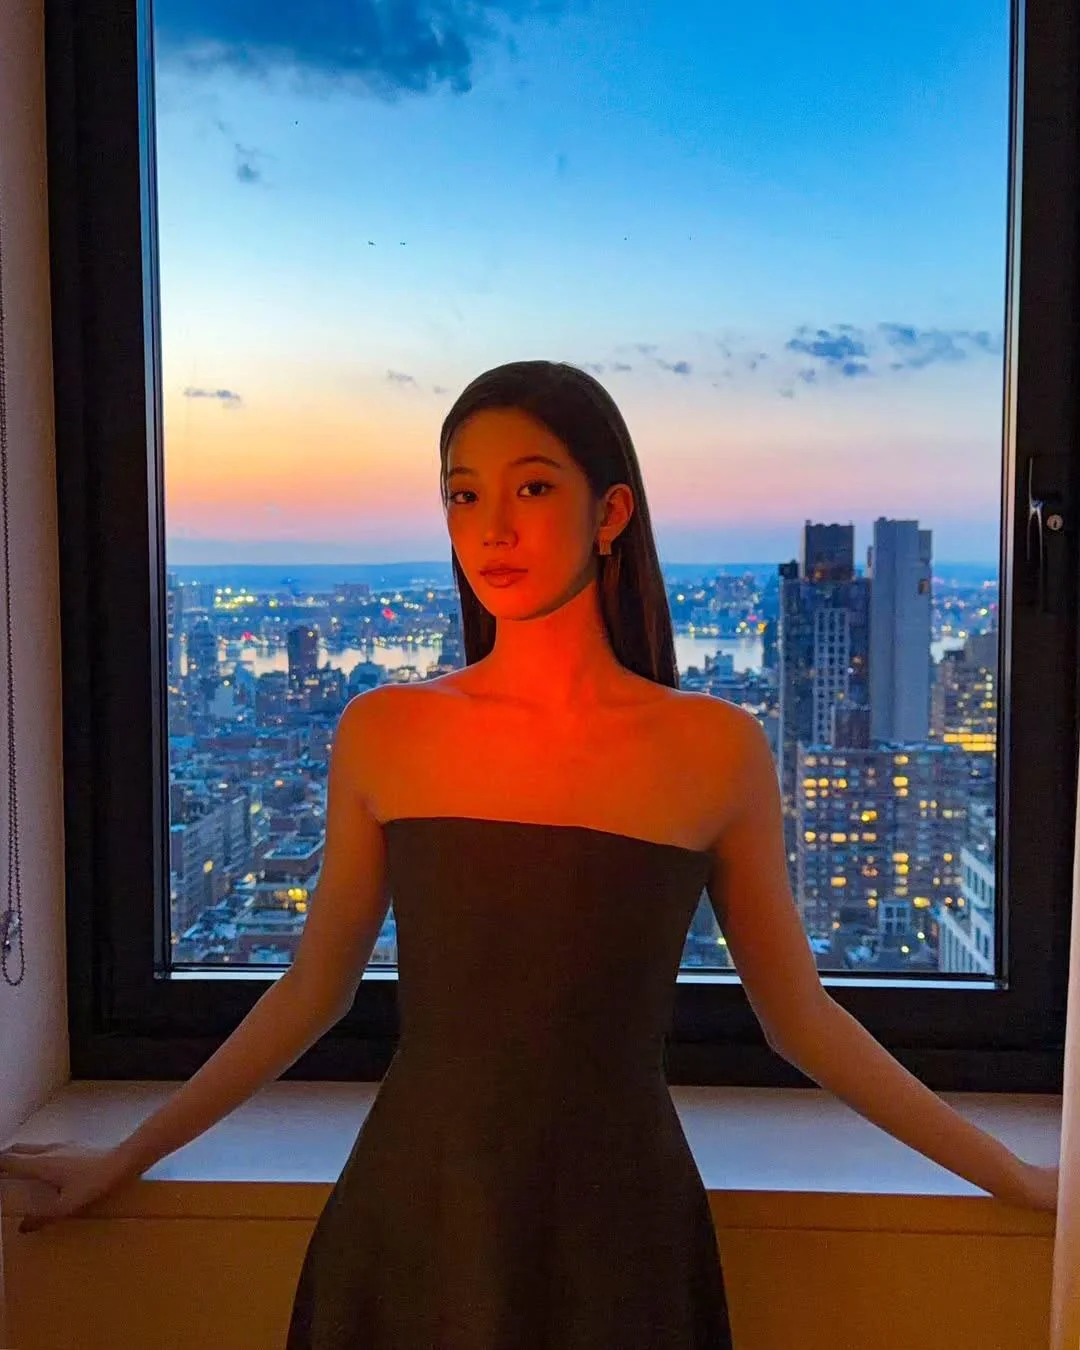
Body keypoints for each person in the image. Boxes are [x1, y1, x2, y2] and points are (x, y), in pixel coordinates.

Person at [0, 360, 1058, 1345]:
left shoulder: (715, 750)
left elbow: (803, 1022)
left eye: (534, 489)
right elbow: (310, 992)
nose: (493, 528)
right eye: (463, 495)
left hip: (622, 1240)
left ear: (611, 513)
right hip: (412, 1225)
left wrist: (1019, 1178)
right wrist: (124, 1157)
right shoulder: (386, 731)